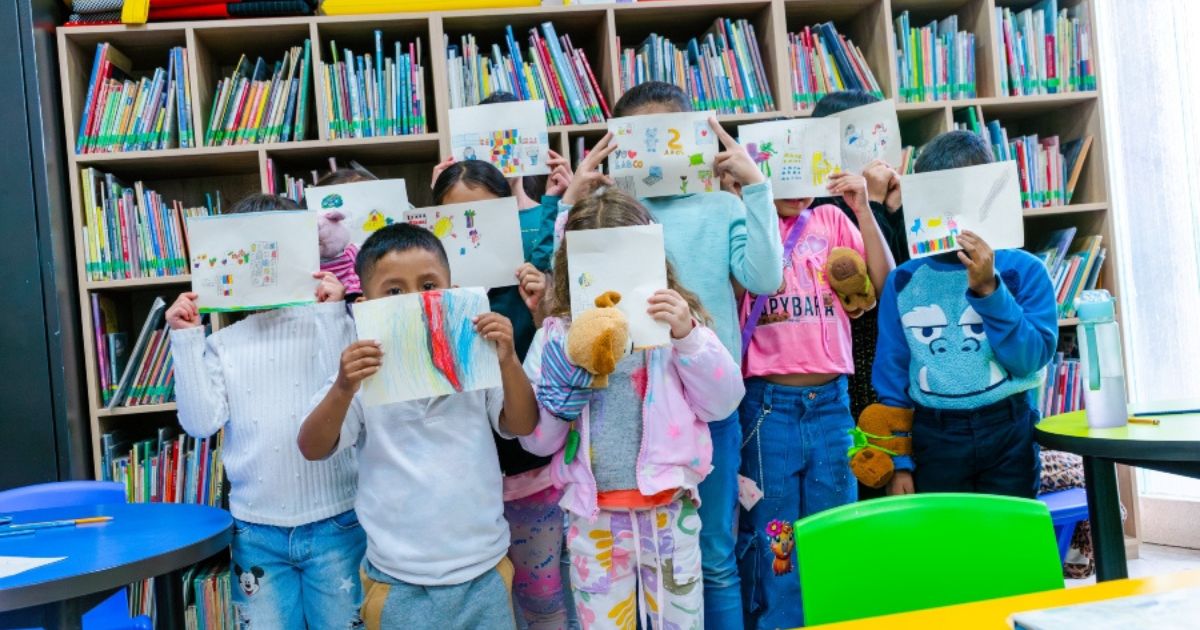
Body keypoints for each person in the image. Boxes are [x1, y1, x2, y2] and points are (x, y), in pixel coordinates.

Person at [562, 81, 782, 629]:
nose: (658, 150)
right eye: (641, 138)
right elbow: (564, 290)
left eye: (671, 136)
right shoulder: (609, 213)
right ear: (618, 143)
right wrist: (570, 204)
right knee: (635, 561)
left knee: (712, 558)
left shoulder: (720, 206)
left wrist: (756, 187)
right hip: (621, 407)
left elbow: (765, 277)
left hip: (707, 401)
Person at [520, 187, 745, 630]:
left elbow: (723, 403)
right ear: (571, 268)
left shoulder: (676, 329)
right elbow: (538, 441)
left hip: (669, 514)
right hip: (594, 519)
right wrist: (567, 377)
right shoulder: (556, 338)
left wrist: (688, 336)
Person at [297, 223, 538, 630]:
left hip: (483, 568)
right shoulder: (360, 375)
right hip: (397, 578)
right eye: (394, 292)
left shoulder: (477, 357)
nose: (415, 301)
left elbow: (523, 424)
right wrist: (343, 387)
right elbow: (311, 447)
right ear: (364, 305)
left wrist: (508, 360)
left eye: (429, 286)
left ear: (452, 291)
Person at [166, 194, 364, 630]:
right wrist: (186, 338)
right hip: (256, 532)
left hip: (337, 522)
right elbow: (200, 423)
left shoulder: (336, 324)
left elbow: (347, 408)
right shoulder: (223, 343)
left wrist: (332, 314)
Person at [734, 168, 894, 628]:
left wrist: (863, 210)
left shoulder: (831, 218)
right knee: (776, 537)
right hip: (768, 409)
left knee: (836, 528)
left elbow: (885, 283)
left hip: (831, 405)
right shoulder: (747, 221)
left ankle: (836, 619)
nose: (797, 190)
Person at [869, 130, 1058, 498]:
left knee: (1008, 529)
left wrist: (990, 290)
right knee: (944, 533)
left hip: (1009, 428)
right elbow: (892, 373)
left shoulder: (1025, 271)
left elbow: (1029, 360)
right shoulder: (904, 282)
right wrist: (899, 460)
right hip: (935, 435)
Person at [430, 159, 572, 629]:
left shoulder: (528, 278)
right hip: (462, 477)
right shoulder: (428, 295)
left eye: (486, 217)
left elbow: (551, 365)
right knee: (482, 603)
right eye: (454, 220)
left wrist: (541, 310)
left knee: (543, 595)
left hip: (528, 470)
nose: (471, 231)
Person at [809, 90, 910, 424]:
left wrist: (894, 210)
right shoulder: (817, 205)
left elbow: (901, 278)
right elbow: (865, 278)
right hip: (847, 354)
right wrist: (874, 203)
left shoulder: (891, 195)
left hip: (890, 351)